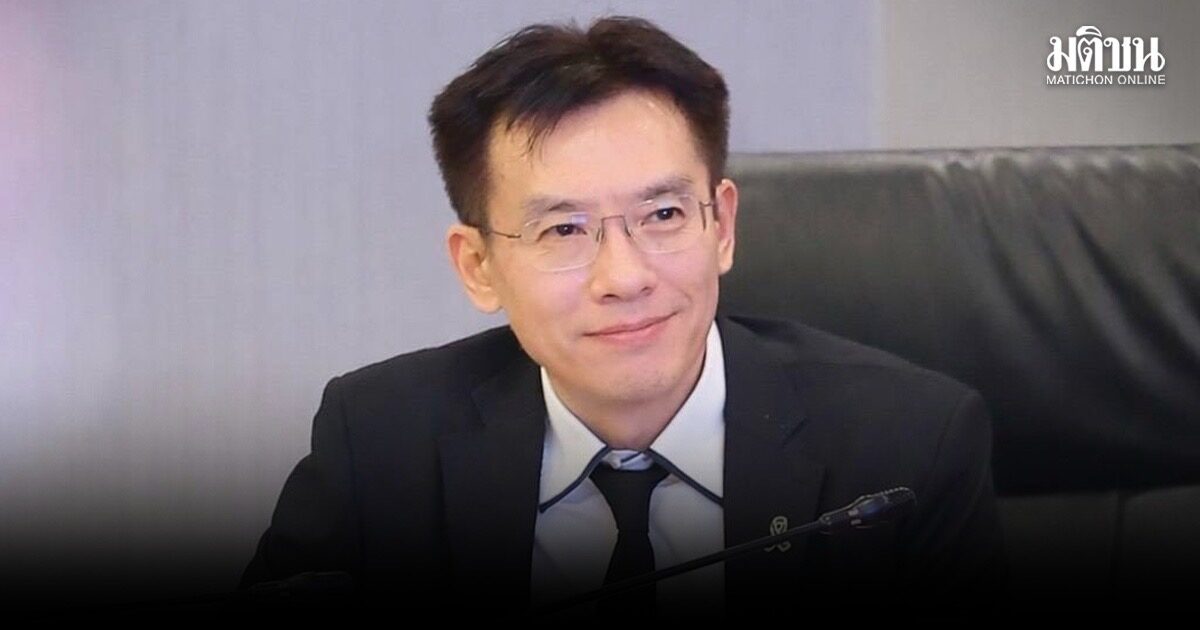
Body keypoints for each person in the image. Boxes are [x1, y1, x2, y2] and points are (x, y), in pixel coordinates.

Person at [239, 15, 1005, 621]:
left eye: (663, 214)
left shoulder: (909, 450)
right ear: (478, 266)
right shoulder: (379, 445)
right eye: (563, 230)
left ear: (722, 226)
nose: (625, 277)